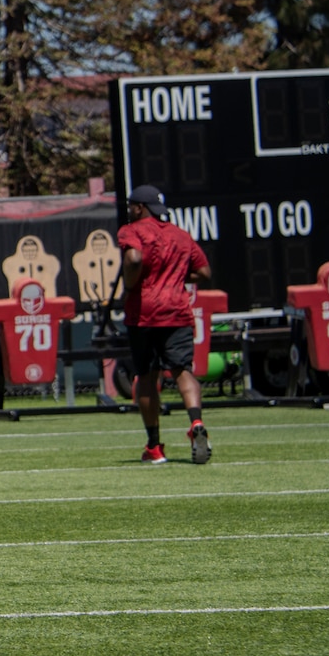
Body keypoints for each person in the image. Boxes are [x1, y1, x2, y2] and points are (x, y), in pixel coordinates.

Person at [118, 185, 213, 464]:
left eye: (130, 206)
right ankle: (196, 423)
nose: (129, 210)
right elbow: (204, 272)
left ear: (139, 208)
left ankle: (154, 447)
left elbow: (134, 258)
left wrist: (131, 283)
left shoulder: (132, 230)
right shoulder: (180, 235)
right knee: (183, 371)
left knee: (147, 378)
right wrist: (174, 279)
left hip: (144, 313)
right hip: (177, 311)